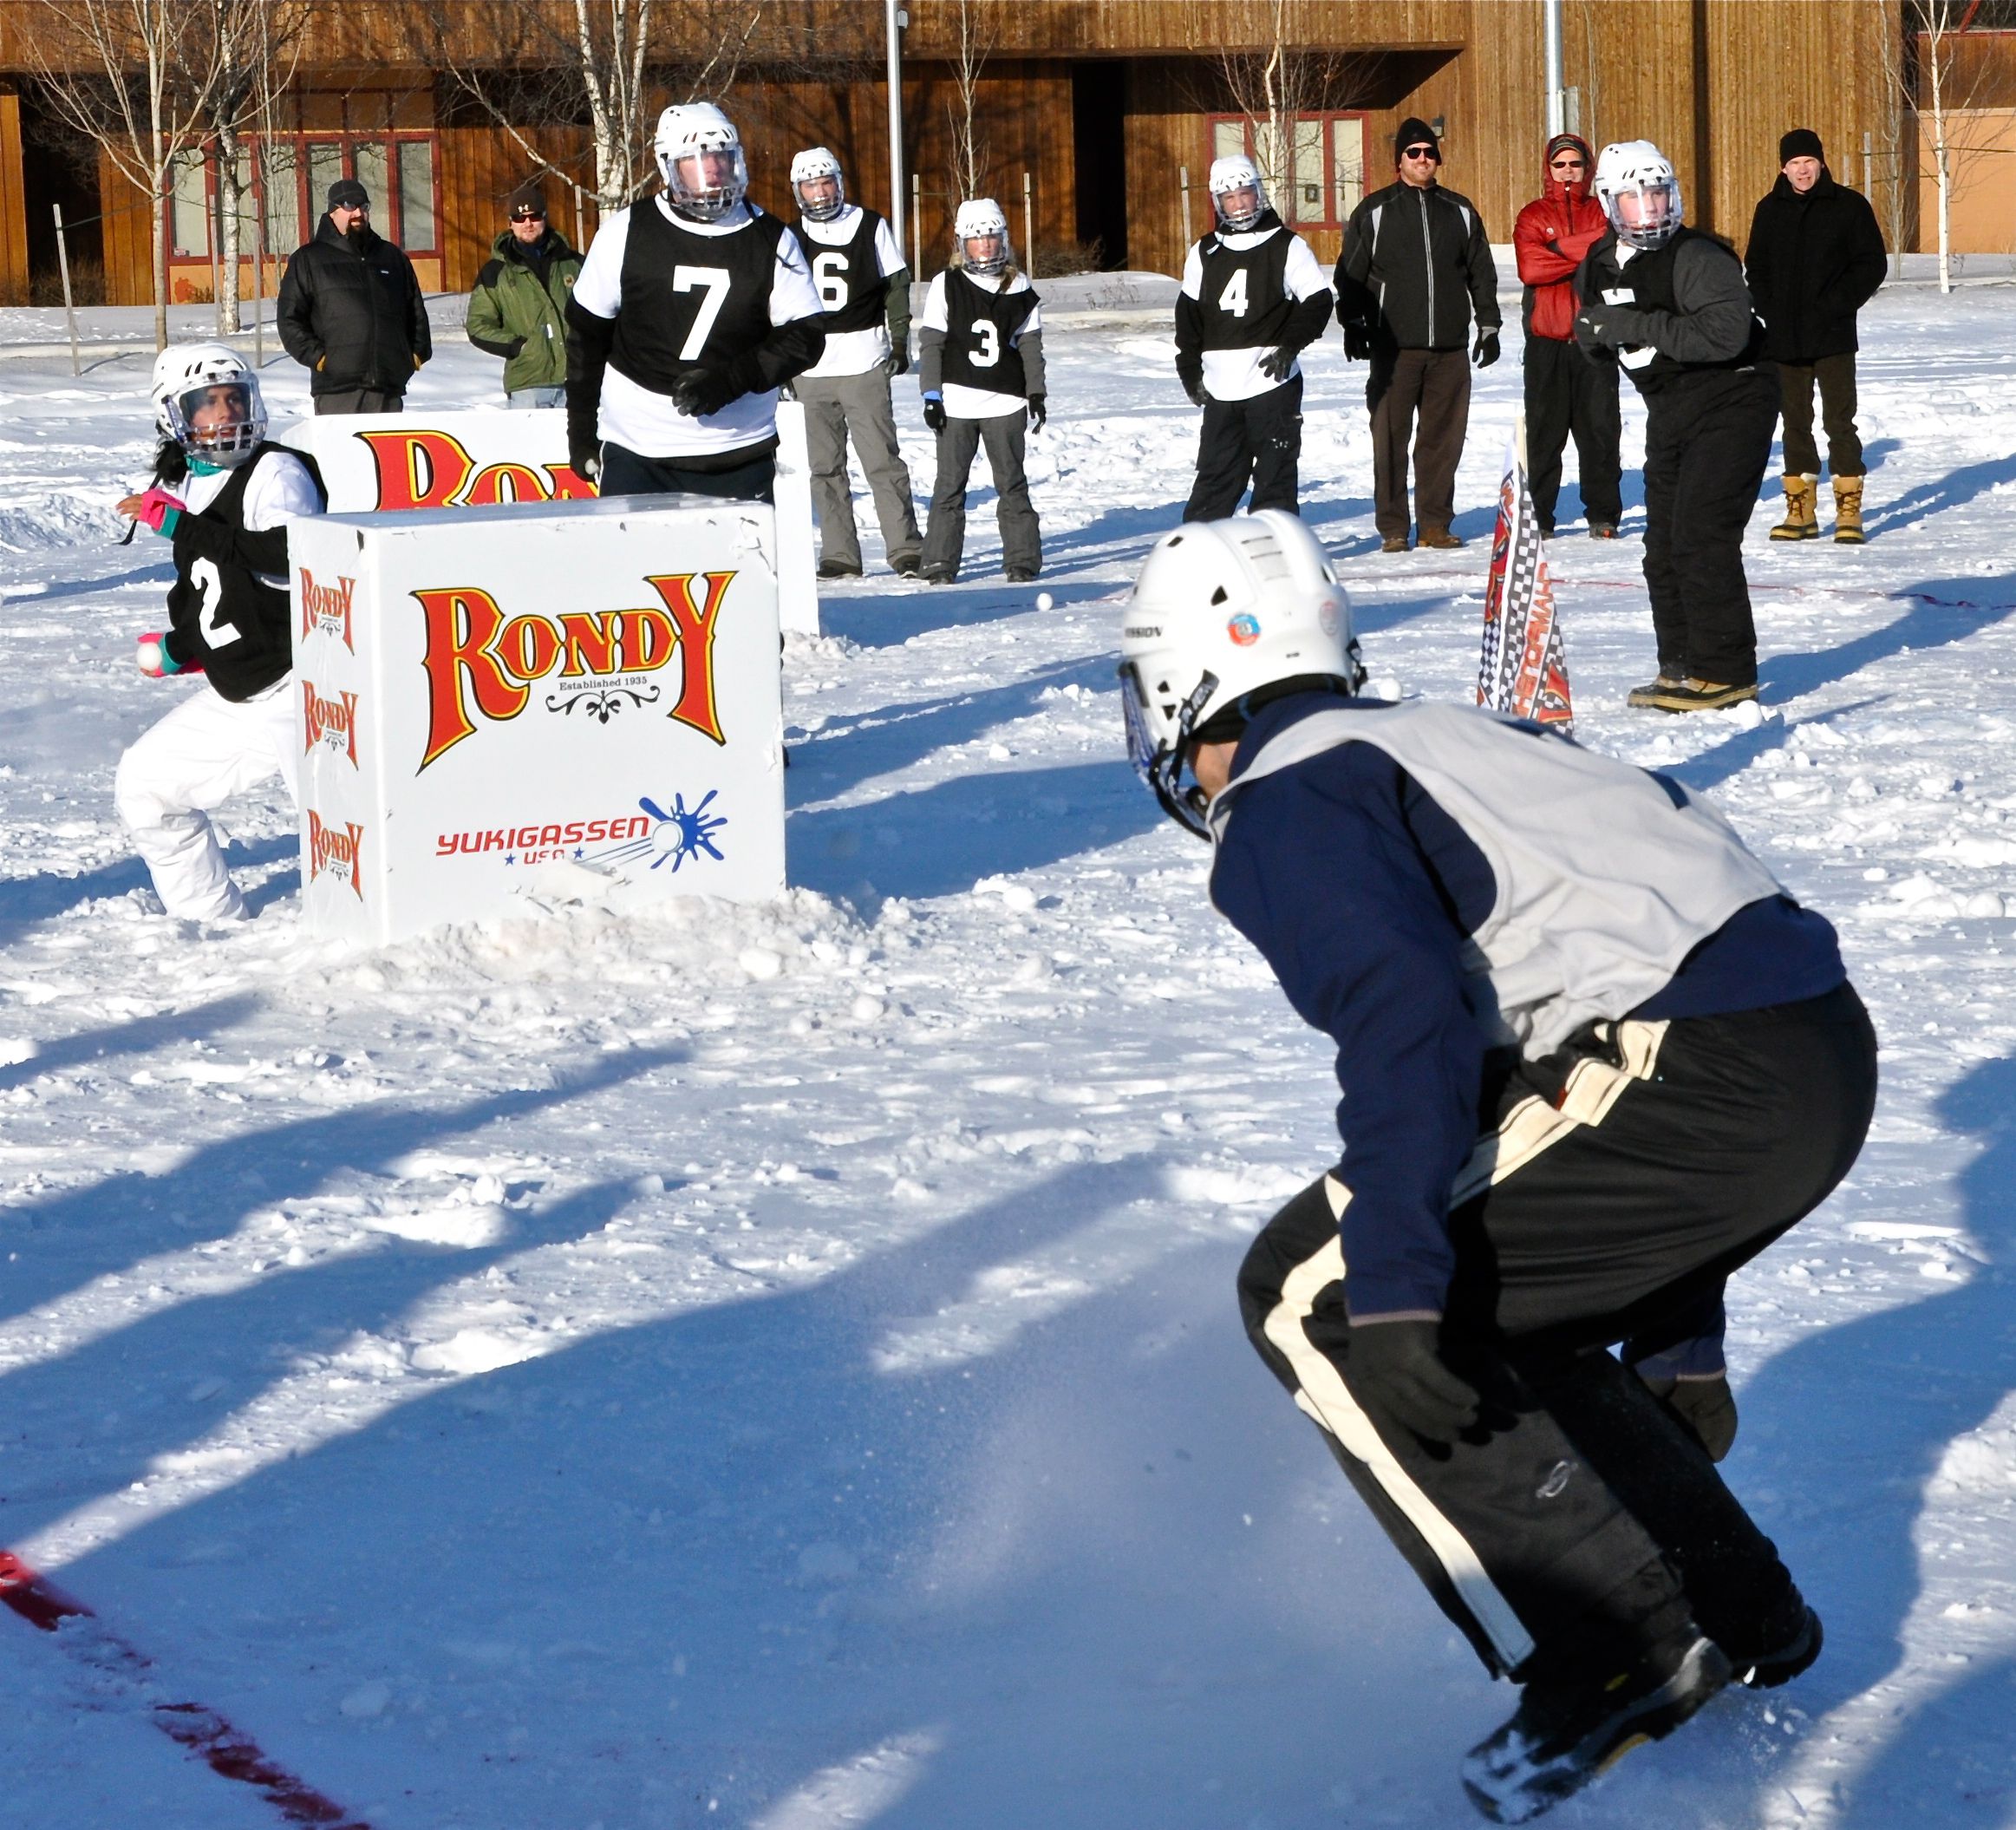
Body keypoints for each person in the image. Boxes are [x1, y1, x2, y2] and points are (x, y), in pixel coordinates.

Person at [1116, 509, 1874, 1824]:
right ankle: (1730, 1603)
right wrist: (1677, 1330)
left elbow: (1415, 1025)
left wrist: (1396, 1285)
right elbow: (1616, 984)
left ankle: (1614, 1646)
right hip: (1801, 1048)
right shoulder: (1436, 734)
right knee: (1493, 1297)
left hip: (1706, 1064)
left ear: (1190, 680)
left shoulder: (1289, 794)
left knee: (1319, 1293)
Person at [114, 344, 325, 923]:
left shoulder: (275, 471)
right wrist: (179, 648)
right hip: (246, 693)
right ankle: (209, 922)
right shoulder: (187, 486)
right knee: (147, 785)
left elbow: (291, 555)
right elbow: (216, 595)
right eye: (208, 404)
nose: (227, 414)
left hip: (307, 689)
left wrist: (182, 526)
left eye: (235, 399)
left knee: (344, 829)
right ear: (174, 417)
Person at [1576, 141, 1779, 715]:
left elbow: (1723, 335)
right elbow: (1597, 336)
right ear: (1609, 205)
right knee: (1661, 545)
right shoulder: (1594, 266)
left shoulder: (1697, 256)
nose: (1652, 212)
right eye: (1637, 201)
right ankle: (1682, 664)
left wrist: (1633, 323)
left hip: (1733, 394)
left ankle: (1725, 671)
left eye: (1659, 197)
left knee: (1700, 533)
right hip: (1669, 406)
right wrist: (1593, 338)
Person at [565, 102, 825, 502]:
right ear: (668, 165)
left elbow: (806, 336)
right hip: (639, 449)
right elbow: (587, 336)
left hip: (739, 449)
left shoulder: (770, 237)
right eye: (696, 160)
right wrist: (580, 430)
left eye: (721, 157)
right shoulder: (625, 233)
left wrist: (732, 379)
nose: (713, 171)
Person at [1335, 118, 1500, 552]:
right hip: (1394, 350)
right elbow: (1350, 273)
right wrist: (1352, 323)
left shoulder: (1459, 210)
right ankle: (1393, 528)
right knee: (1389, 439)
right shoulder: (1375, 210)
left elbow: (1481, 272)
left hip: (1449, 349)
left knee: (1441, 443)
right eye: (1414, 153)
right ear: (1399, 161)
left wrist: (1488, 325)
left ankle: (1434, 525)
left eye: (1429, 152)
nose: (1422, 159)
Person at [1744, 129, 1887, 546]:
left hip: (1834, 335)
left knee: (1839, 421)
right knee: (1794, 423)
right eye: (1794, 163)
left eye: (1809, 162)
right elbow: (1756, 266)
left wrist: (1836, 305)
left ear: (1821, 163)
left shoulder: (1848, 206)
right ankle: (1800, 510)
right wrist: (1768, 308)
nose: (1802, 170)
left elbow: (1870, 263)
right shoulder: (1769, 209)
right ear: (1783, 167)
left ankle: (1848, 511)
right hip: (1784, 339)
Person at [1173, 153, 1333, 522]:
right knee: (1215, 478)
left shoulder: (1286, 245)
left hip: (1271, 384)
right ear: (1218, 203)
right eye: (1230, 197)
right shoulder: (1204, 252)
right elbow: (1188, 319)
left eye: (1245, 193)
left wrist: (1290, 346)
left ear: (1258, 194)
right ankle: (1202, 551)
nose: (1239, 204)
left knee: (1275, 478)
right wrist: (1189, 370)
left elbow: (1318, 303)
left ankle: (1273, 553)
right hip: (1221, 388)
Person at [786, 146, 923, 578]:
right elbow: (776, 305)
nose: (821, 193)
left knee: (881, 460)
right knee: (824, 468)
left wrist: (899, 340)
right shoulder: (788, 236)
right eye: (811, 185)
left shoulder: (869, 225)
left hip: (864, 359)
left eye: (826, 182)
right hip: (811, 368)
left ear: (839, 183)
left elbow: (896, 287)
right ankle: (840, 554)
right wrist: (781, 362)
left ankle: (904, 548)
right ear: (799, 191)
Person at [917, 198, 1045, 584]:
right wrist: (931, 395)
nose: (985, 246)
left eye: (991, 238)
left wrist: (1036, 392)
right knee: (949, 486)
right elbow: (932, 344)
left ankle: (1022, 560)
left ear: (1003, 239)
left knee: (1012, 483)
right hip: (956, 401)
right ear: (962, 245)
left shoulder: (1018, 284)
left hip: (1005, 400)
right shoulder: (947, 284)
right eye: (976, 240)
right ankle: (939, 562)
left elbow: (1030, 345)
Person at [1511, 134, 1621, 539]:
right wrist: (1583, 252)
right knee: (1544, 435)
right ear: (1548, 169)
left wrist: (1556, 248)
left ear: (1588, 169)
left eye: (1575, 164)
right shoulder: (1532, 214)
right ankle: (1540, 517)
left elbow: (1613, 255)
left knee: (1601, 433)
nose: (1568, 172)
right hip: (1547, 341)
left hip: (1596, 341)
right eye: (1560, 165)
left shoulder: (1604, 211)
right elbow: (1531, 269)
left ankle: (1603, 515)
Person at [276, 178, 432, 415]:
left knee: (386, 454)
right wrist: (322, 359)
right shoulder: (309, 260)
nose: (358, 213)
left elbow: (416, 314)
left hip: (387, 389)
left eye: (364, 206)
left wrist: (413, 356)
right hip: (337, 391)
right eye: (350, 206)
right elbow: (289, 320)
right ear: (332, 211)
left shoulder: (392, 257)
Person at [465, 182, 584, 409]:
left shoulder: (574, 264)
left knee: (578, 446)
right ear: (510, 223)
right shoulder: (496, 272)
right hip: (528, 385)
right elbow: (478, 325)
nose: (527, 223)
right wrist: (519, 346)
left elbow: (602, 313)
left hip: (577, 380)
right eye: (520, 218)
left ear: (545, 217)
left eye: (534, 216)